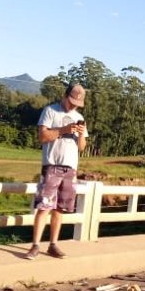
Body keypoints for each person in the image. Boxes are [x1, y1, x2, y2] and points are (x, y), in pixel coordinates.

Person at [26, 83, 88, 259]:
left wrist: (81, 134)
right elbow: (42, 136)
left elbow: (82, 147)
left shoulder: (79, 117)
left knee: (60, 209)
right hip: (52, 165)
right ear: (65, 96)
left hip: (71, 168)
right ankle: (35, 246)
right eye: (72, 102)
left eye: (77, 104)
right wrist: (64, 130)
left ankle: (53, 245)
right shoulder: (50, 111)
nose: (74, 106)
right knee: (44, 207)